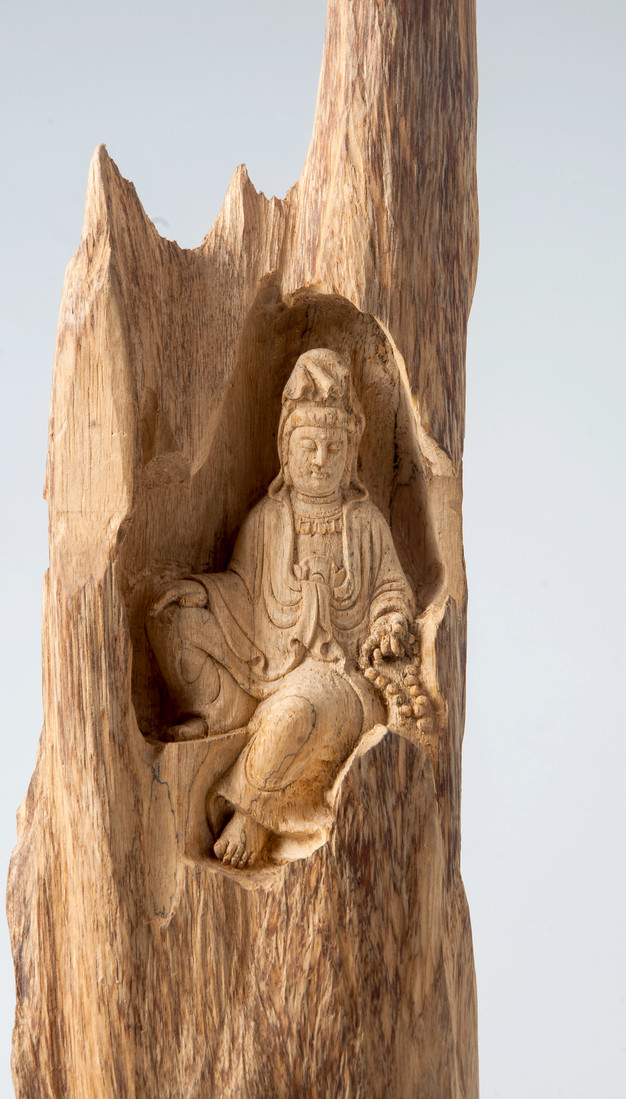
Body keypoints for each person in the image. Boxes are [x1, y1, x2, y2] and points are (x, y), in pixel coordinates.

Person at [146, 348, 414, 868]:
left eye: (333, 448)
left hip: (336, 679)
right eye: (308, 446)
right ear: (285, 452)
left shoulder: (364, 524)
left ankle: (252, 811)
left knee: (296, 712)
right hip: (264, 659)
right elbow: (244, 591)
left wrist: (391, 621)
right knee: (172, 622)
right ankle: (219, 715)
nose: (319, 460)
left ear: (350, 455)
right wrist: (203, 592)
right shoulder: (268, 518)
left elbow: (391, 588)